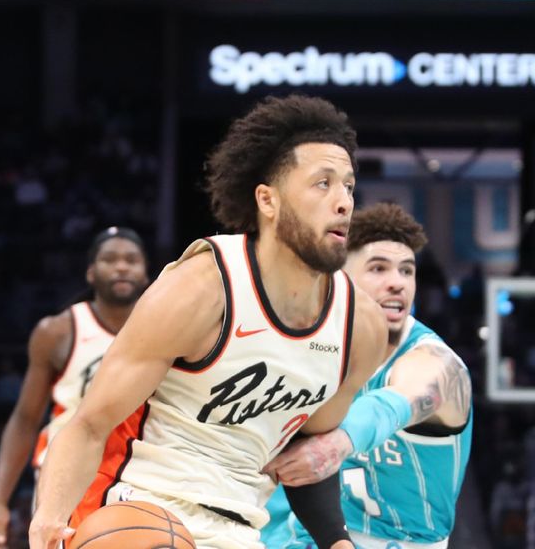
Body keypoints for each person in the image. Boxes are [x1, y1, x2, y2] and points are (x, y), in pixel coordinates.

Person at [29, 95, 389, 549]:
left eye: (349, 187)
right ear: (267, 200)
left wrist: (337, 542)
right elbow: (88, 425)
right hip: (138, 505)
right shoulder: (203, 286)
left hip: (239, 529)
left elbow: (305, 460)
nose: (343, 202)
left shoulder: (361, 328)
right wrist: (48, 518)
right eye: (322, 184)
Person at [262, 202, 473, 549]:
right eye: (379, 269)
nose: (397, 284)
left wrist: (338, 441)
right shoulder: (312, 349)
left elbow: (403, 396)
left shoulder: (436, 363)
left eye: (407, 271)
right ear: (340, 278)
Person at [0, 227, 150, 548]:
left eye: (132, 260)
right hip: (68, 472)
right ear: (90, 272)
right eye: (110, 259)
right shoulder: (58, 331)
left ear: (146, 275)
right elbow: (25, 419)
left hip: (139, 469)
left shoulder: (165, 328)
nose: (122, 266)